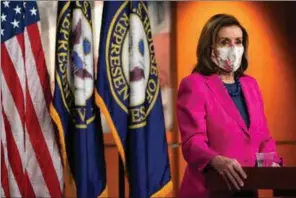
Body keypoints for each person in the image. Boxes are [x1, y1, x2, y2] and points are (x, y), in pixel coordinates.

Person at [177, 14, 282, 198]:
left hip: (247, 188)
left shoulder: (251, 85)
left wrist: (271, 163)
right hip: (209, 190)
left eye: (238, 41)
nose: (233, 49)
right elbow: (192, 141)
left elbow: (264, 137)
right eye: (225, 42)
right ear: (210, 48)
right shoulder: (194, 84)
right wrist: (215, 160)